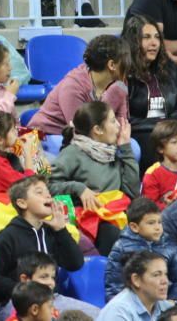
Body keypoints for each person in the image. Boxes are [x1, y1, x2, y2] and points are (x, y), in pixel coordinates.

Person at [50, 101, 139, 254]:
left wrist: (126, 148)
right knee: (114, 236)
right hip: (87, 219)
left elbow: (131, 192)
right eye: (112, 121)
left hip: (116, 213)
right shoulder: (72, 153)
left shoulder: (114, 151)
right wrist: (79, 188)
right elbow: (47, 186)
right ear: (97, 130)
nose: (118, 125)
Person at [0, 176, 85, 309]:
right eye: (39, 192)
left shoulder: (53, 232)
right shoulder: (7, 236)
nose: (48, 196)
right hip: (18, 302)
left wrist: (61, 230)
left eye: (48, 192)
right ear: (22, 203)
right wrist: (26, 290)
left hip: (51, 299)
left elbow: (76, 263)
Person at [118, 15, 177, 172]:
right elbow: (123, 117)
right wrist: (159, 127)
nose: (154, 43)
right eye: (146, 37)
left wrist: (172, 126)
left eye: (157, 37)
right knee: (157, 142)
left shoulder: (168, 68)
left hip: (172, 130)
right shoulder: (123, 74)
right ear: (133, 42)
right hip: (141, 133)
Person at [29, 34, 132, 134]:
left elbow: (122, 124)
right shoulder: (73, 86)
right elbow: (80, 132)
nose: (129, 63)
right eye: (126, 59)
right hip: (49, 134)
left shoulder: (119, 85)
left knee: (133, 146)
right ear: (112, 65)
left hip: (94, 134)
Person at [105, 197, 177, 301]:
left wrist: (174, 300)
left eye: (159, 222)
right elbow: (113, 287)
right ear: (134, 227)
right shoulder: (121, 248)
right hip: (132, 306)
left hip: (166, 303)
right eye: (151, 223)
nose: (158, 227)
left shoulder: (169, 244)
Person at [99, 251, 174, 320]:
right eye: (156, 275)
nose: (165, 281)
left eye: (165, 274)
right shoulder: (118, 312)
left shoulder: (166, 307)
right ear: (136, 280)